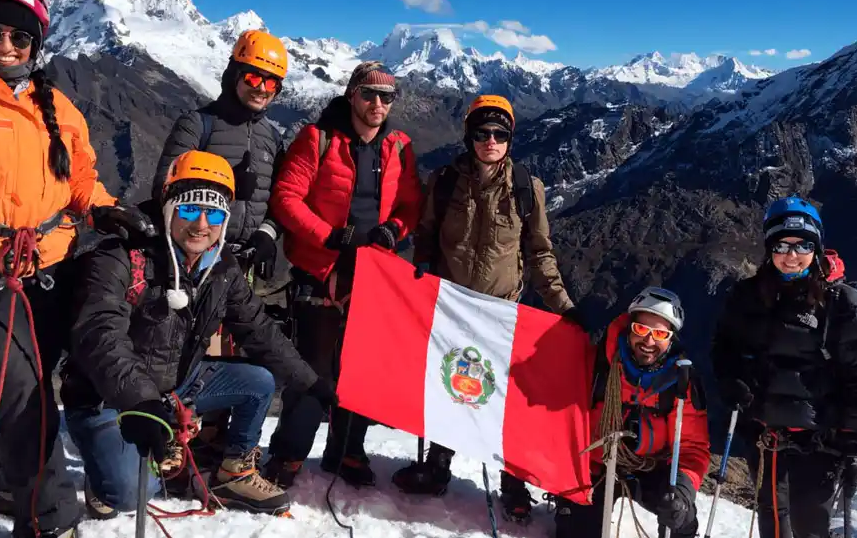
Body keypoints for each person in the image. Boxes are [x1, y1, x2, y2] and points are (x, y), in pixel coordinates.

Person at [0, 0, 153, 538]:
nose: (5, 46)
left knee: (34, 380)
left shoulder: (58, 107)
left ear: (36, 43)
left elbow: (79, 180)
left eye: (19, 37)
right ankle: (50, 522)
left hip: (48, 263)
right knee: (23, 395)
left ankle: (4, 480)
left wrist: (103, 207)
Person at [61, 150, 336, 519]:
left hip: (175, 386)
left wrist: (311, 383)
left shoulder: (221, 267)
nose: (201, 224)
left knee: (258, 382)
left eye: (215, 214)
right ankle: (102, 476)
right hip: (109, 397)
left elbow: (258, 328)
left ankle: (233, 472)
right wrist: (141, 403)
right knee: (130, 494)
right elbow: (100, 336)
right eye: (189, 210)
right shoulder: (121, 257)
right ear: (168, 209)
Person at [390, 94, 580, 523]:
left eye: (499, 134)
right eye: (482, 133)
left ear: (510, 138)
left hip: (501, 313)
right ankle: (436, 467)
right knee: (448, 386)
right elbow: (426, 234)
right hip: (451, 307)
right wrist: (420, 270)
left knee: (504, 398)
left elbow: (539, 254)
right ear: (469, 136)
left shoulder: (526, 189)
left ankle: (513, 485)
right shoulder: (444, 182)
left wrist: (564, 306)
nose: (490, 141)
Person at [261, 61, 423, 488]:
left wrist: (394, 231)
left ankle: (347, 450)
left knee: (364, 369)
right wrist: (330, 237)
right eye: (369, 94)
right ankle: (289, 454)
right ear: (352, 95)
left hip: (374, 273)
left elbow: (411, 206)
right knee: (313, 369)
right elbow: (286, 197)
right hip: (321, 269)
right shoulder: (317, 140)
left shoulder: (399, 148)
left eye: (386, 97)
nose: (377, 104)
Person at [712, 196, 857, 538]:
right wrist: (731, 380)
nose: (792, 255)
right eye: (781, 245)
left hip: (822, 439)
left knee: (811, 524)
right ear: (769, 247)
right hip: (765, 435)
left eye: (803, 246)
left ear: (817, 248)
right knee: (774, 523)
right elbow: (725, 348)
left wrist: (853, 440)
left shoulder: (841, 304)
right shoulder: (747, 297)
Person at [553, 286, 709, 538]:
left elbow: (692, 447)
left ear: (671, 339)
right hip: (598, 467)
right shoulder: (598, 365)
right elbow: (558, 414)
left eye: (659, 333)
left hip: (654, 468)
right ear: (628, 328)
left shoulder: (681, 384)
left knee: (677, 512)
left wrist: (682, 491)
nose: (648, 341)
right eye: (641, 330)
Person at [151, 29, 289, 283]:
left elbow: (282, 198)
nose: (261, 88)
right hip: (192, 260)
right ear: (235, 75)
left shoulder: (272, 138)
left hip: (245, 264)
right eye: (252, 77)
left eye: (271, 83)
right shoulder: (197, 124)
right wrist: (225, 185)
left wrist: (267, 233)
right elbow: (163, 187)